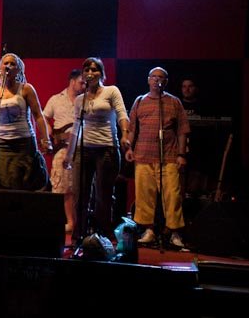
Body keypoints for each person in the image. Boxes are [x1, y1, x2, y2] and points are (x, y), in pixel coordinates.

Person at [63, 57, 130, 244]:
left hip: (106, 149)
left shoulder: (111, 91)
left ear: (101, 73)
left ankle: (103, 236)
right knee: (80, 195)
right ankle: (79, 236)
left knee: (103, 195)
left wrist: (125, 134)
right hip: (83, 150)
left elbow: (122, 114)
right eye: (87, 70)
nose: (90, 73)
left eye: (94, 69)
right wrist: (69, 154)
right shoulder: (80, 99)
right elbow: (76, 126)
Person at [126, 67, 190, 249]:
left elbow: (182, 130)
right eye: (153, 77)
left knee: (172, 195)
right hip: (143, 155)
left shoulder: (174, 102)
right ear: (148, 80)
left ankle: (174, 232)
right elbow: (132, 129)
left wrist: (181, 154)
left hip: (169, 156)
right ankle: (148, 230)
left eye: (160, 77)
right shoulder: (140, 101)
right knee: (144, 195)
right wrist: (129, 148)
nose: (157, 80)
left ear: (166, 82)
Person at [0, 52, 49, 191]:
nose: (8, 66)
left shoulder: (26, 89)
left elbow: (38, 115)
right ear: (0, 68)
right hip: (2, 144)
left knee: (24, 182)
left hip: (23, 143)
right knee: (0, 181)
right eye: (5, 63)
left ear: (18, 69)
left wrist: (46, 140)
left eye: (12, 64)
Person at [43, 68, 86, 233]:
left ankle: (79, 222)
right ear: (72, 81)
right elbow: (43, 117)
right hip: (62, 148)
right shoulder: (55, 99)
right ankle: (68, 221)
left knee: (78, 186)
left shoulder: (86, 100)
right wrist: (49, 134)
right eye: (81, 82)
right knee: (61, 185)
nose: (83, 86)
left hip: (82, 148)